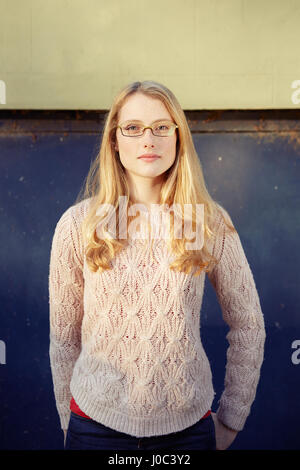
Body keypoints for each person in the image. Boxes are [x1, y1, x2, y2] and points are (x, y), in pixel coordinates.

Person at [48, 80, 266, 451]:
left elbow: (248, 324)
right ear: (115, 141)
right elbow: (64, 336)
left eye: (162, 127)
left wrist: (231, 419)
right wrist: (69, 420)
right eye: (133, 128)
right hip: (95, 427)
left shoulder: (205, 222)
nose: (148, 139)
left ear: (178, 136)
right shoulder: (79, 224)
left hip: (186, 430)